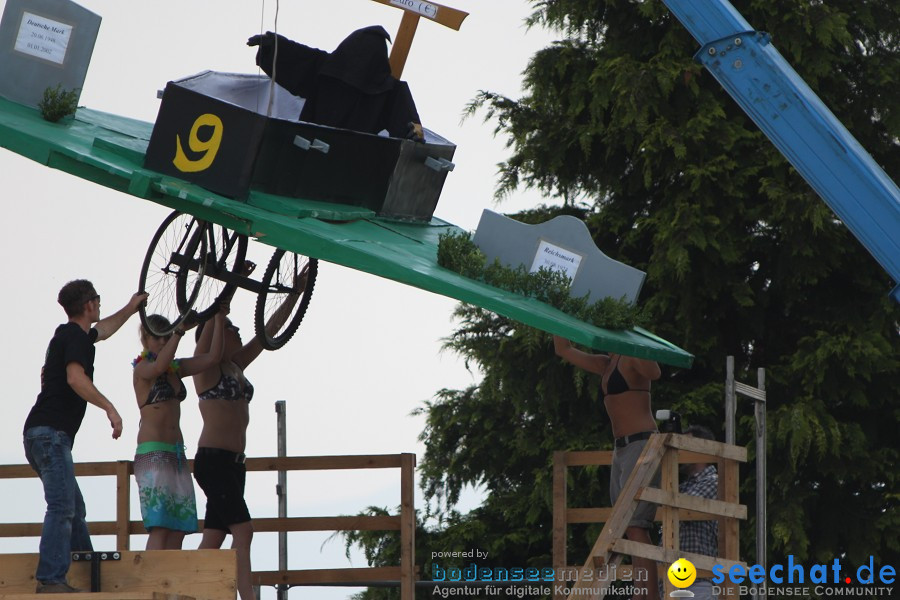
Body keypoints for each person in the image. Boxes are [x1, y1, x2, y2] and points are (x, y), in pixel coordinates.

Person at [191, 262, 307, 600]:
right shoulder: (206, 371)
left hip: (234, 465)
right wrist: (220, 306)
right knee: (244, 530)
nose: (236, 329)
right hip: (214, 461)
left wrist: (294, 295)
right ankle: (248, 597)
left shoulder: (237, 365)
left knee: (213, 538)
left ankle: (181, 589)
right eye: (230, 327)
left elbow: (269, 330)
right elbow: (206, 341)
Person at [23, 280, 147, 593]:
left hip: (40, 434)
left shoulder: (69, 335)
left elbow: (102, 330)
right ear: (90, 304)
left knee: (74, 508)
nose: (100, 306)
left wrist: (131, 308)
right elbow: (75, 378)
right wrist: (110, 408)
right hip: (51, 435)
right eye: (98, 301)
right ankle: (50, 579)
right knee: (63, 506)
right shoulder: (75, 338)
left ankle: (87, 568)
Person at [553, 336, 662, 600]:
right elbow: (563, 349)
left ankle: (647, 595)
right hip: (621, 449)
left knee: (636, 524)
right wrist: (557, 314)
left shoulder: (631, 355)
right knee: (626, 525)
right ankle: (642, 591)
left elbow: (655, 372)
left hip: (642, 444)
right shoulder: (607, 363)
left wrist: (632, 343)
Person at [132, 309, 226, 550]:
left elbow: (213, 357)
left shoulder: (176, 367)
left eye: (166, 337)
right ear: (145, 338)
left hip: (175, 455)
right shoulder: (142, 368)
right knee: (160, 525)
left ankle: (171, 583)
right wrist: (178, 333)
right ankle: (152, 581)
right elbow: (157, 367)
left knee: (179, 528)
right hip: (153, 453)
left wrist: (218, 317)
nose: (163, 341)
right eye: (158, 337)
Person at [248, 25, 425, 141]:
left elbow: (410, 126)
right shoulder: (326, 68)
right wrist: (274, 45)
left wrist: (413, 136)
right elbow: (297, 55)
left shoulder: (390, 92)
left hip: (348, 166)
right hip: (307, 153)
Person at [660, 425, 719, 600]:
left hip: (699, 584)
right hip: (676, 582)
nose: (679, 452)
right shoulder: (684, 486)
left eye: (685, 445)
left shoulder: (714, 482)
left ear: (702, 450)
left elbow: (680, 509)